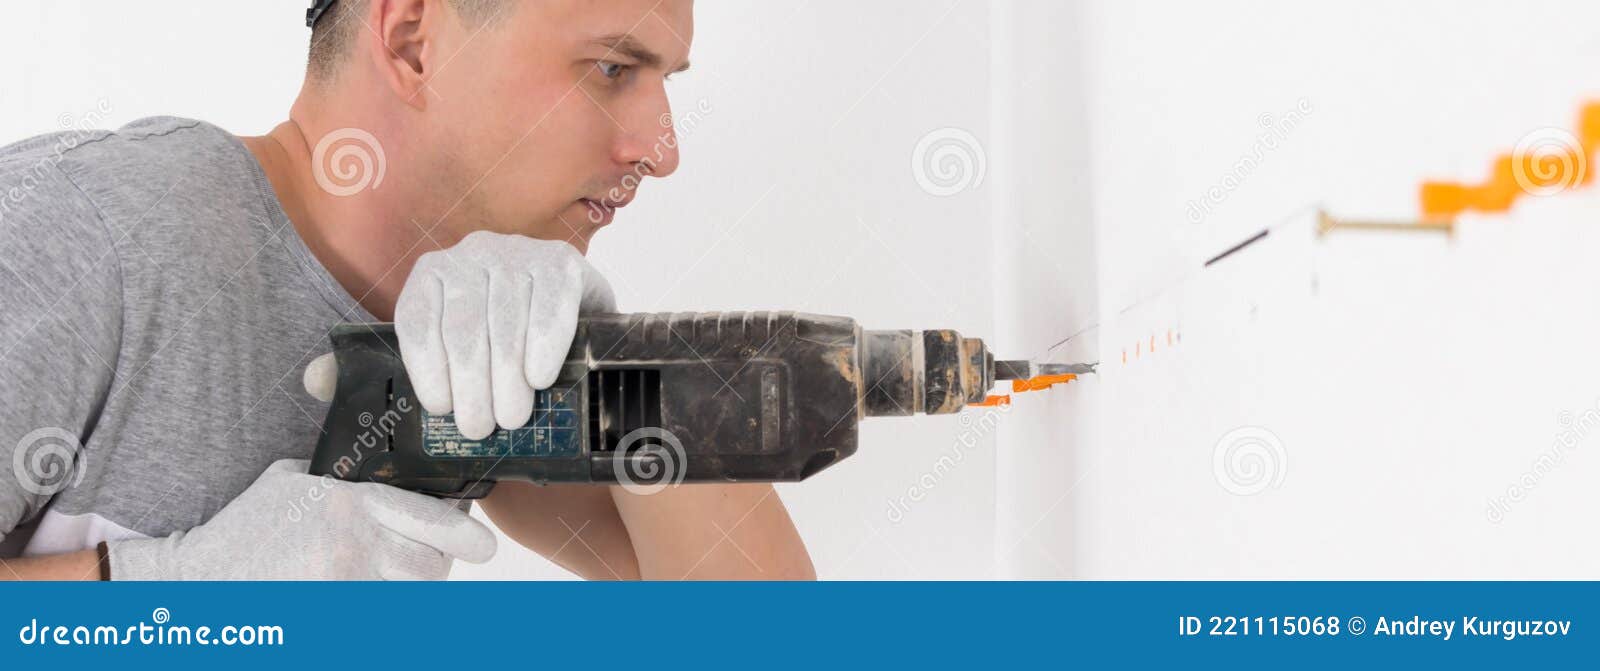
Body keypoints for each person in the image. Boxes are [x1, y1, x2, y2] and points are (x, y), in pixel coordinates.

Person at [0, 0, 814, 580]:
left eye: (666, 78)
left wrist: (632, 379)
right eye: (613, 66)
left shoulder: (472, 348)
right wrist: (165, 594)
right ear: (415, 42)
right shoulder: (86, 229)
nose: (662, 149)